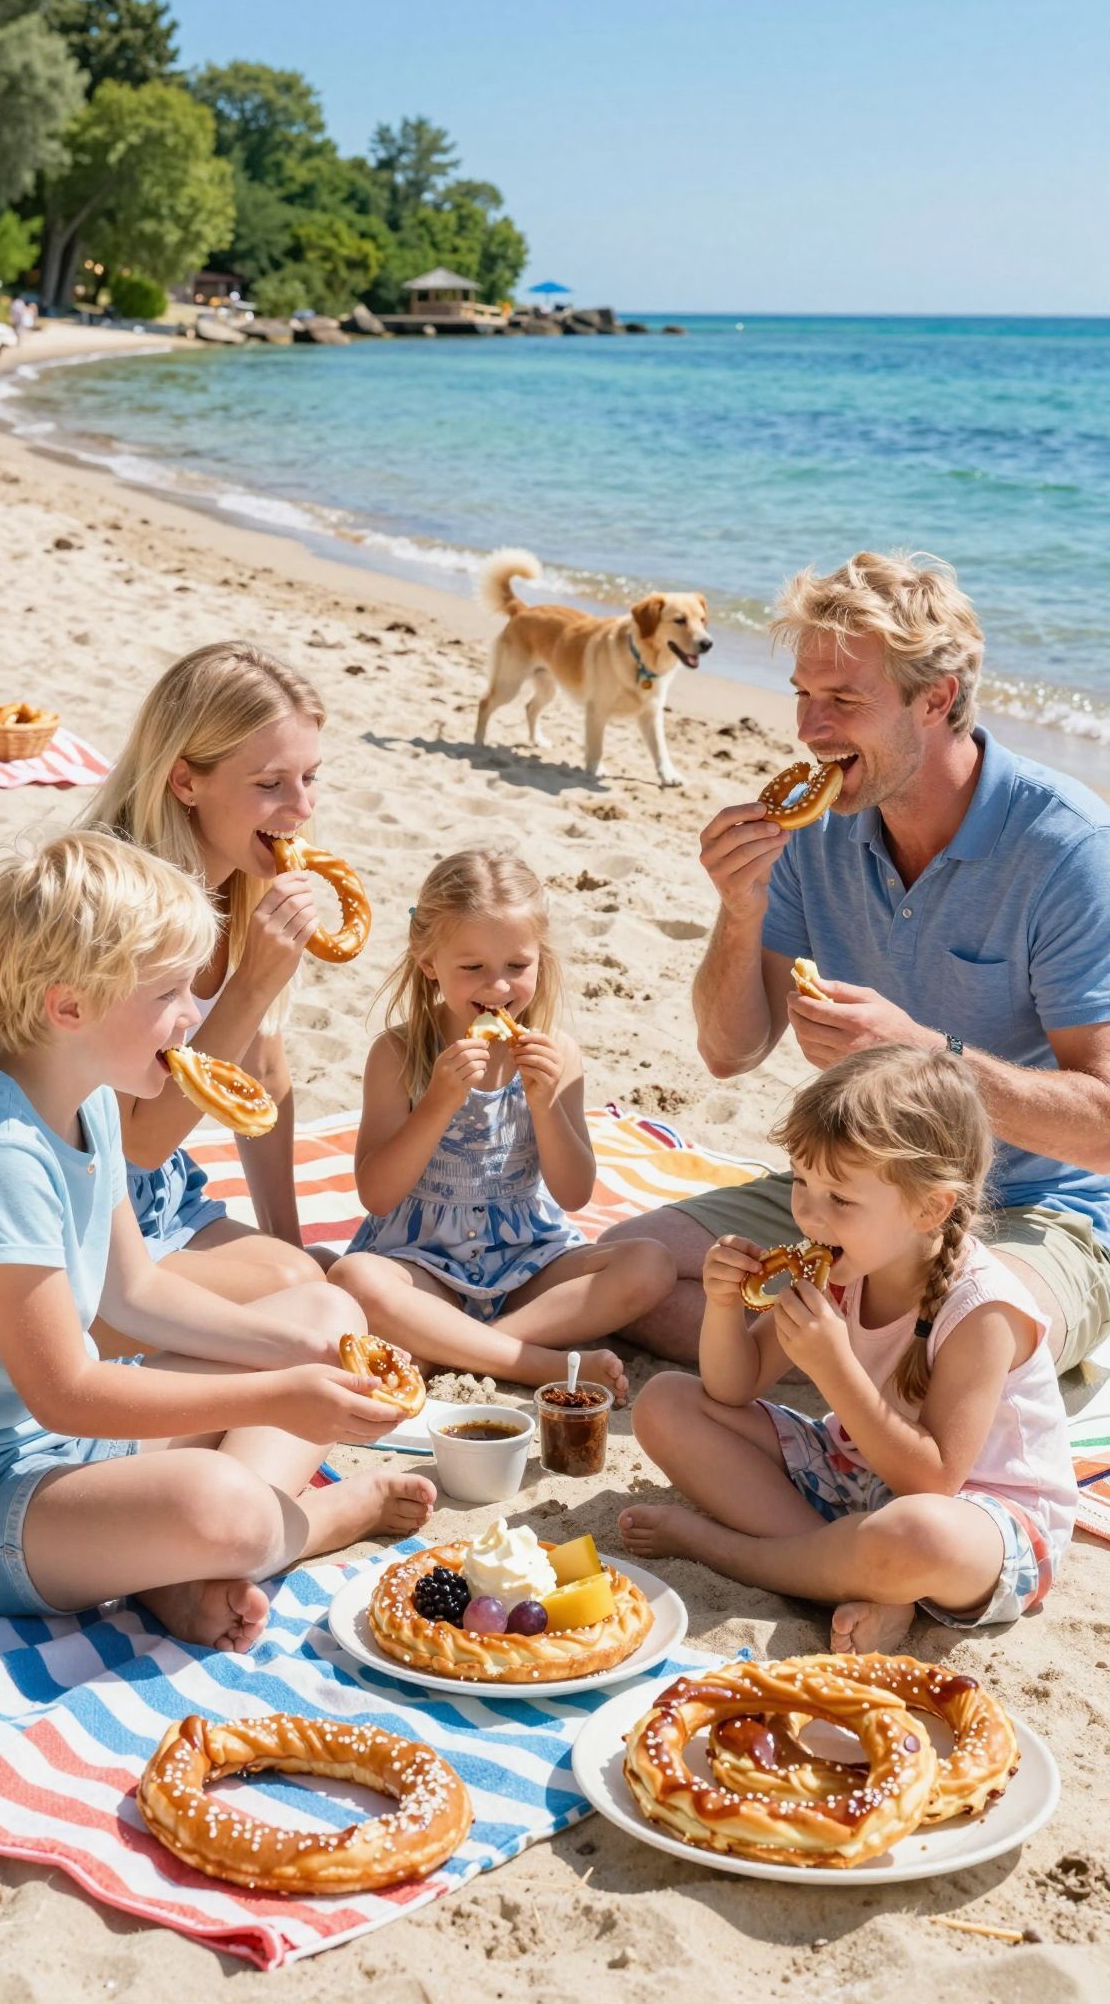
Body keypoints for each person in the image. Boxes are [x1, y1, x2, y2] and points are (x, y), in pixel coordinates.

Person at [600, 551, 1110, 1372]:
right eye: (804, 695)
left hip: (1032, 1212)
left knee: (957, 1354)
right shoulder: (822, 827)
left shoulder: (1066, 850)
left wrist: (921, 1055)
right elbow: (730, 1054)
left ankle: (850, 1361)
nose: (808, 730)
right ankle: (847, 1362)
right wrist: (741, 910)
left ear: (936, 700)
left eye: (843, 700)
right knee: (620, 1272)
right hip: (849, 1198)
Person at [0, 833, 433, 1649]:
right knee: (222, 1505)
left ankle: (174, 1572)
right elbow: (63, 1391)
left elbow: (133, 1293)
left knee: (325, 1310)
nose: (191, 1016)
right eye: (170, 993)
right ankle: (307, 1522)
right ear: (69, 1007)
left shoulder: (88, 1097)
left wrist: (289, 1346)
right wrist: (273, 1393)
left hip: (68, 1452)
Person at [0, 642, 349, 1356]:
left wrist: (285, 1242)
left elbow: (261, 1075)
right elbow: (137, 1140)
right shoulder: (112, 907)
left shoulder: (242, 877)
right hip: (53, 1193)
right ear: (185, 781)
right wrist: (254, 983)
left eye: (311, 777)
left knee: (312, 1286)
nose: (301, 808)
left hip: (156, 1192)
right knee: (300, 1305)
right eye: (270, 784)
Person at [621, 1046, 1076, 1655]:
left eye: (840, 1199)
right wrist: (725, 1308)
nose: (809, 1213)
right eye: (801, 1183)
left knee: (915, 1535)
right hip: (857, 1479)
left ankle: (737, 1554)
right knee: (666, 1402)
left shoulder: (983, 1311)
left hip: (978, 1520)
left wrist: (832, 1366)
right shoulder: (841, 1266)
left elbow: (933, 1481)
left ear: (930, 1207)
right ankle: (856, 1582)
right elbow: (734, 1388)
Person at [329, 849, 674, 1392]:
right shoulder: (399, 1054)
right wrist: (439, 1103)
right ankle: (528, 1362)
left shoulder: (557, 1052)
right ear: (430, 966)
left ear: (541, 958)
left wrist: (544, 1104)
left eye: (517, 967)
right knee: (351, 1278)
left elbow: (575, 1192)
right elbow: (376, 1195)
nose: (498, 988)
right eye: (472, 969)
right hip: (423, 1264)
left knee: (650, 1263)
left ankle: (464, 1349)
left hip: (526, 1265)